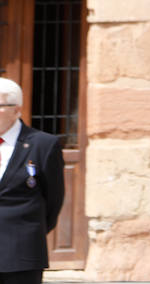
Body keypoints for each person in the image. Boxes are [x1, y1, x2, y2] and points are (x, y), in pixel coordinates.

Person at [0, 78, 65, 284]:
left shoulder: (43, 144)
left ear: (16, 109)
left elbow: (53, 199)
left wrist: (28, 231)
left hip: (21, 253)